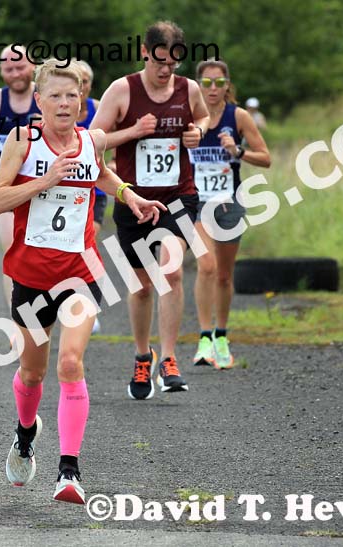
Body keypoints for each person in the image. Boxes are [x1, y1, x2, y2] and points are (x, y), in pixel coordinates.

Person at [0, 59, 165, 504]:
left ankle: (70, 472)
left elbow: (100, 173)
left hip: (80, 274)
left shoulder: (90, 140)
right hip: (31, 276)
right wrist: (45, 180)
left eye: (73, 96)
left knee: (70, 364)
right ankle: (25, 435)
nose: (65, 104)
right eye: (56, 96)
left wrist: (130, 195)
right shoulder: (23, 142)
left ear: (82, 101)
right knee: (33, 371)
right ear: (39, 101)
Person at [90, 21, 210, 400]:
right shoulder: (122, 90)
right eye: (159, 62)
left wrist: (198, 132)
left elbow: (203, 116)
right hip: (134, 199)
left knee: (171, 271)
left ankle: (169, 359)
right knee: (141, 287)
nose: (165, 71)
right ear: (145, 52)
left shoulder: (188, 88)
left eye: (173, 64)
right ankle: (143, 355)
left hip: (179, 195)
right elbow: (93, 139)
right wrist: (133, 132)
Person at [190, 60, 270, 369]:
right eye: (206, 83)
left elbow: (266, 158)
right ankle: (204, 338)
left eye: (218, 82)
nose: (212, 89)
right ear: (198, 85)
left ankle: (221, 336)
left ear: (227, 84)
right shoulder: (187, 117)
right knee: (206, 266)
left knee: (223, 274)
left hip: (228, 203)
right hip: (196, 204)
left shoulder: (238, 117)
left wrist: (238, 152)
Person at [0, 45, 41, 308]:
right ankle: (17, 317)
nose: (15, 73)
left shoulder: (44, 97)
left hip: (41, 189)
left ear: (33, 67)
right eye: (9, 69)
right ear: (1, 71)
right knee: (11, 252)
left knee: (43, 256)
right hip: (6, 190)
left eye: (20, 67)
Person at [73, 59, 104, 334]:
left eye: (84, 82)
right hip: (70, 192)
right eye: (76, 81)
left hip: (96, 190)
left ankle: (90, 303)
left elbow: (109, 151)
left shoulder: (98, 109)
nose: (80, 87)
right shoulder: (57, 110)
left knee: (87, 242)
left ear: (89, 85)